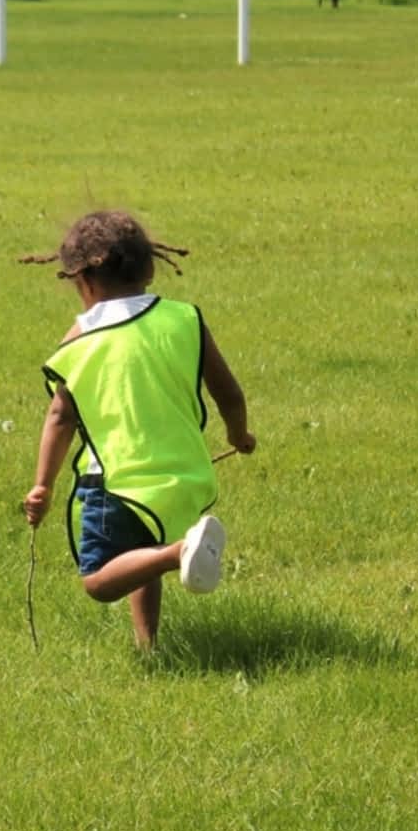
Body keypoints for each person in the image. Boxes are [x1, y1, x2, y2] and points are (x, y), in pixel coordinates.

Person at [22, 211, 255, 648]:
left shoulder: (81, 339)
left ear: (84, 282)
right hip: (181, 473)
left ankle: (179, 552)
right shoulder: (184, 319)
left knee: (98, 581)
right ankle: (148, 644)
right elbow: (230, 395)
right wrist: (238, 436)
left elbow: (61, 417)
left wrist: (43, 485)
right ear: (149, 267)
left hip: (111, 481)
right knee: (140, 554)